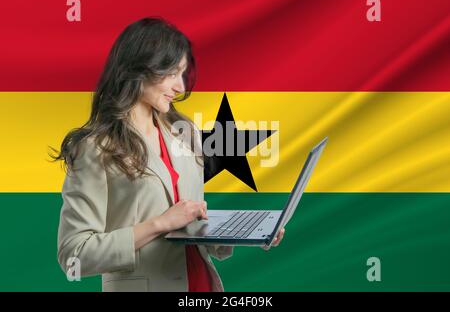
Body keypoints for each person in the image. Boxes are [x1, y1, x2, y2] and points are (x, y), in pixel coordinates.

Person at [51, 17, 285, 292]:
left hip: (202, 287)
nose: (181, 87)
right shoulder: (94, 148)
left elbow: (189, 226)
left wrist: (247, 233)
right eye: (172, 73)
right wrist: (159, 224)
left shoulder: (184, 134)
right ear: (139, 69)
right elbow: (73, 255)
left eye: (182, 74)